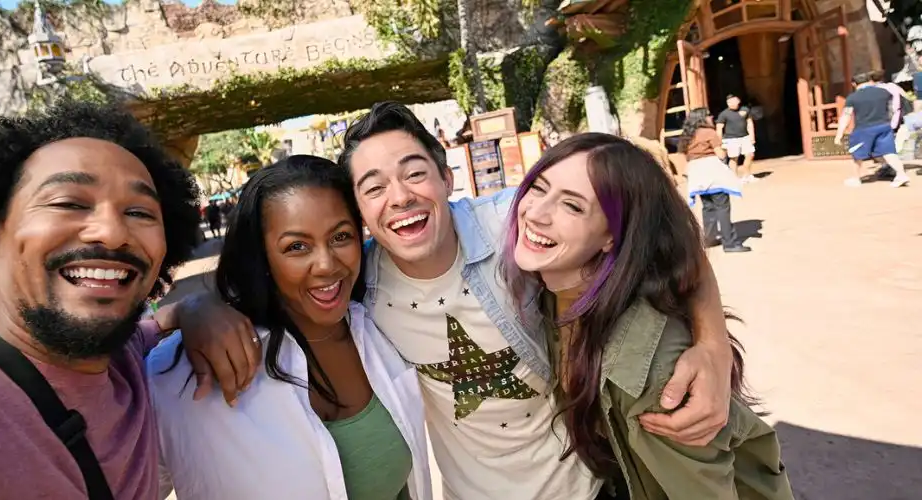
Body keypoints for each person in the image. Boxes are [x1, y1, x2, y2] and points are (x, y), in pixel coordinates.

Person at [177, 102, 739, 499]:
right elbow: (259, 289)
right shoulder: (356, 282)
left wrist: (712, 346)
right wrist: (193, 309)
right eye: (372, 188)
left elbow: (663, 233)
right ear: (360, 213)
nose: (399, 197)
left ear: (446, 177)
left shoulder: (515, 227)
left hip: (591, 485)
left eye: (414, 172)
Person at [0, 100, 252, 498]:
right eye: (69, 203)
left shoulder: (127, 358)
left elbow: (158, 323)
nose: (112, 232)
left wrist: (198, 307)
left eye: (139, 212)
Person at [503, 132, 794, 499]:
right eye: (538, 187)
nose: (537, 213)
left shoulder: (654, 375)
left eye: (573, 207)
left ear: (612, 235)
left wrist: (712, 345)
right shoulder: (554, 292)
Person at [150, 156, 431, 499]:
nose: (327, 265)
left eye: (341, 236)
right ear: (261, 256)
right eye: (296, 246)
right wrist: (187, 310)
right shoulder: (182, 374)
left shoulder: (381, 322)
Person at [681, 108, 750, 253]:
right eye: (708, 115)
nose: (711, 117)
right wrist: (725, 154)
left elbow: (685, 156)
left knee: (708, 207)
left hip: (697, 173)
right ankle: (730, 243)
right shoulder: (709, 132)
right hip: (712, 171)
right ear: (702, 118)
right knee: (722, 207)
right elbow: (719, 154)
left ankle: (710, 238)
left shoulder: (687, 135)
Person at [835, 73, 911, 188]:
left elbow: (846, 115)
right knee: (888, 152)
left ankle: (856, 178)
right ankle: (901, 174)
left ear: (854, 84)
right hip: (884, 126)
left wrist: (839, 134)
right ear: (869, 81)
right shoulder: (883, 92)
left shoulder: (853, 97)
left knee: (857, 154)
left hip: (864, 128)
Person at [716, 94, 757, 183]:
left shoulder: (745, 110)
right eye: (729, 102)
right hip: (731, 139)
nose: (730, 104)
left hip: (745, 137)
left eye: (733, 101)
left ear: (738, 101)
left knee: (750, 155)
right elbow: (719, 128)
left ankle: (747, 175)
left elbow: (750, 123)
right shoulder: (724, 114)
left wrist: (752, 136)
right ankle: (734, 178)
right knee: (733, 158)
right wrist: (719, 141)